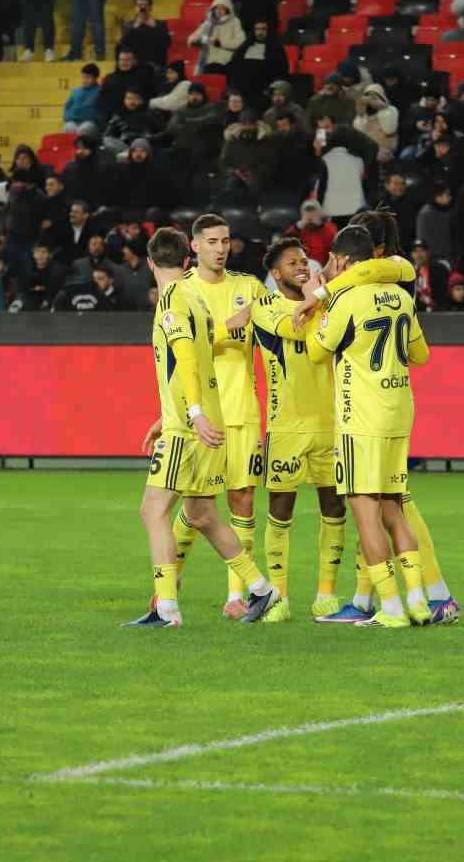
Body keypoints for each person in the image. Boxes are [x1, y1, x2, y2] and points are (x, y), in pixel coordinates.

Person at [125, 226, 279, 628]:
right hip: (205, 416)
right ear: (187, 259)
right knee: (202, 514)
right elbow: (202, 356)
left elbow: (186, 360)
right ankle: (261, 588)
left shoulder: (172, 300)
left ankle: (167, 609)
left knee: (153, 510)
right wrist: (173, 415)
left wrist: (191, 414)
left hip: (189, 426)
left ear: (149, 263)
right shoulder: (195, 298)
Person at [302, 226, 432, 628]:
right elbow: (421, 355)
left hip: (360, 418)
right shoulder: (400, 296)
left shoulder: (346, 299)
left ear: (342, 260)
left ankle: (390, 607)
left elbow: (316, 351)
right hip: (398, 412)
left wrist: (316, 305)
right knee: (394, 508)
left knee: (365, 513)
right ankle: (418, 601)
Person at [235, 238, 347, 623]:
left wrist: (323, 292)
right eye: (292, 263)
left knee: (335, 509)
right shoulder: (266, 307)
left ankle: (326, 595)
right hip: (286, 426)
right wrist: (322, 294)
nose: (302, 266)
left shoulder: (325, 300)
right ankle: (279, 597)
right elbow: (300, 328)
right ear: (276, 273)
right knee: (281, 512)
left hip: (330, 424)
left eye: (305, 261)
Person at [172, 214, 268, 618]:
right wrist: (231, 327)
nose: (220, 248)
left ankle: (237, 597)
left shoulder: (249, 287)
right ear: (194, 246)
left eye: (225, 241)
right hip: (203, 414)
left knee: (242, 499)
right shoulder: (182, 291)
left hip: (242, 410)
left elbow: (276, 327)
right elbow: (183, 351)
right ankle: (170, 580)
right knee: (198, 504)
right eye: (212, 241)